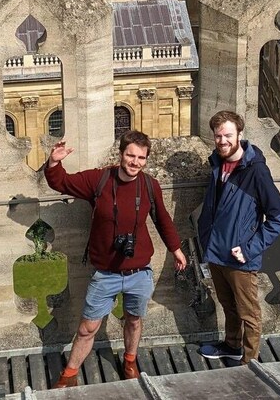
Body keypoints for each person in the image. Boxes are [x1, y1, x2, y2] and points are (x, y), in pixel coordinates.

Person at [44, 130, 187, 388]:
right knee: (88, 327)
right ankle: (69, 374)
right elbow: (60, 182)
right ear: (121, 154)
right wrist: (54, 162)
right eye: (131, 155)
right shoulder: (98, 180)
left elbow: (163, 219)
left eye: (141, 158)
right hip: (106, 273)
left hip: (139, 272)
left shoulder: (149, 185)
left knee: (134, 319)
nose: (135, 162)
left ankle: (130, 361)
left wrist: (176, 249)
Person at [198, 110, 280, 365]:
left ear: (239, 134)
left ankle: (250, 363)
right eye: (218, 136)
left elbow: (278, 217)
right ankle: (231, 345)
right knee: (228, 306)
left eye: (227, 135)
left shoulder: (255, 171)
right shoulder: (217, 163)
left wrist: (249, 249)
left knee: (249, 314)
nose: (222, 141)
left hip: (240, 258)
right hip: (216, 251)